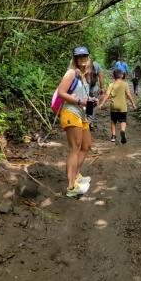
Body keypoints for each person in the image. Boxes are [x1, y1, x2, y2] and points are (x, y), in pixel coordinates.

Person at [57, 46, 97, 197]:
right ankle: (71, 186)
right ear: (74, 59)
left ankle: (77, 174)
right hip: (71, 112)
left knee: (86, 145)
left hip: (82, 114)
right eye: (79, 57)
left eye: (84, 56)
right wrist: (80, 101)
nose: (82, 59)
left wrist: (91, 101)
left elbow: (80, 94)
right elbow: (61, 92)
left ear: (88, 57)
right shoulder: (71, 72)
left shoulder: (85, 75)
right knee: (75, 148)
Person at [99, 69, 136, 144]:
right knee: (123, 120)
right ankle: (122, 130)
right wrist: (133, 104)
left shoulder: (111, 85)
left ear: (114, 76)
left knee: (113, 121)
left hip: (114, 106)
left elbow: (107, 95)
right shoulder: (125, 84)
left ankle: (113, 136)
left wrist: (102, 104)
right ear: (122, 75)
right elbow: (128, 94)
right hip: (122, 106)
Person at [88, 58, 105, 131]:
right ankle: (90, 122)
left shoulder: (79, 64)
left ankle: (84, 121)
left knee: (86, 104)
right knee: (92, 104)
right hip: (93, 88)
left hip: (83, 87)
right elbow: (101, 76)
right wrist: (102, 88)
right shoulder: (96, 64)